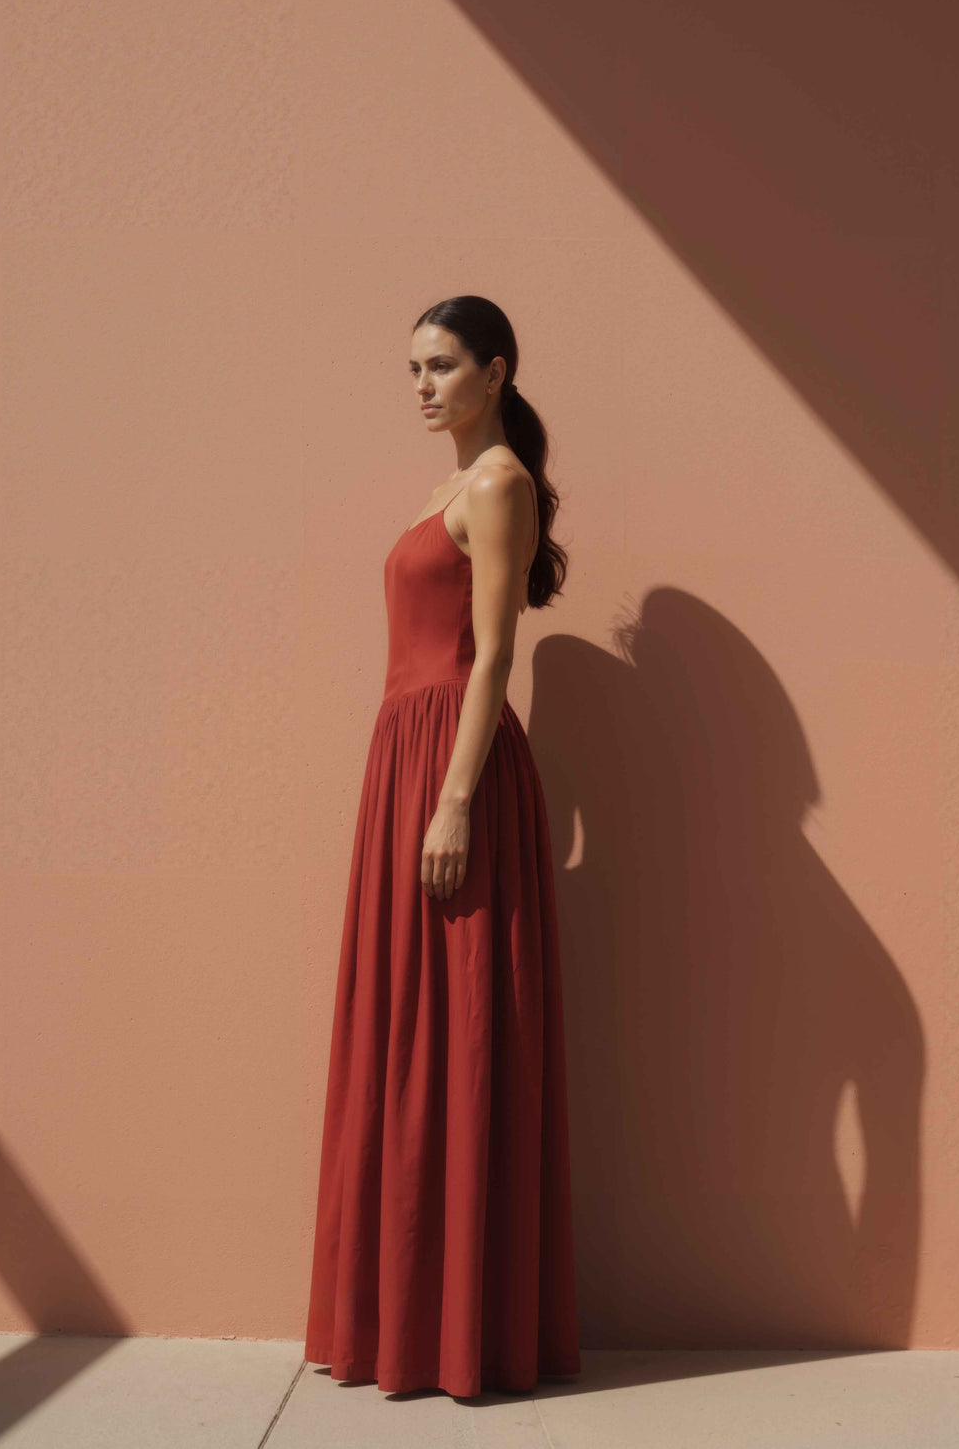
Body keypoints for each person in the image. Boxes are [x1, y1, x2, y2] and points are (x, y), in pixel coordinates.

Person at [303, 294, 581, 1398]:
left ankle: (459, 1330)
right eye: (411, 366)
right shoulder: (445, 488)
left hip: (450, 766)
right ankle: (400, 1321)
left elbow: (495, 650)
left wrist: (456, 799)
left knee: (452, 1028)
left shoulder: (497, 483)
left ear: (496, 370)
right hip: (402, 760)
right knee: (402, 1026)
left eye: (442, 364)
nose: (422, 384)